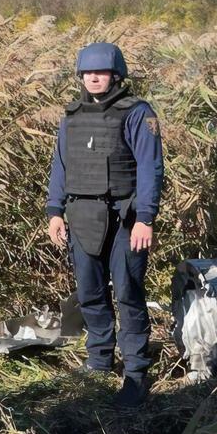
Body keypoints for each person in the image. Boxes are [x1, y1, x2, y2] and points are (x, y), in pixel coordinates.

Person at [45, 42, 164, 408]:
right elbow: (60, 164)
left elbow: (150, 168)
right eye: (87, 72)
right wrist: (54, 211)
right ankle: (99, 361)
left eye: (101, 72)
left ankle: (136, 373)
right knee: (90, 293)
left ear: (116, 75)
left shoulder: (138, 113)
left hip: (125, 218)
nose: (93, 78)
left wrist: (145, 218)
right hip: (81, 215)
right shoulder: (72, 115)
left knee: (128, 292)